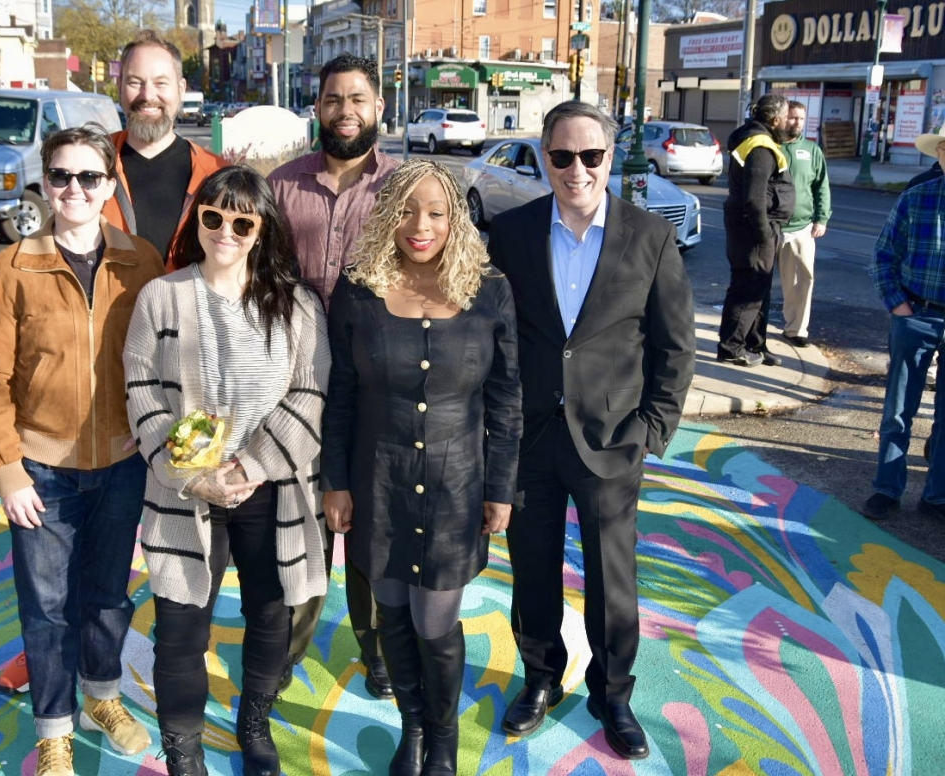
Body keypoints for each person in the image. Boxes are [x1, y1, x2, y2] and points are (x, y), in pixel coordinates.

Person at [487, 101, 696, 760]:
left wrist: (652, 428)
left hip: (613, 439)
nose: (576, 170)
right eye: (561, 156)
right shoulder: (512, 232)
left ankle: (614, 695)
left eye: (591, 156)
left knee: (613, 579)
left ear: (610, 156)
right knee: (532, 572)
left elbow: (676, 346)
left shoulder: (649, 236)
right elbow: (494, 336)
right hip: (529, 439)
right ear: (544, 158)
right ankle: (540, 679)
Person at [0, 124, 166, 776]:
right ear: (46, 182)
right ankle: (54, 727)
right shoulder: (13, 269)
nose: (74, 189)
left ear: (110, 186)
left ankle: (103, 696)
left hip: (120, 464)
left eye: (89, 177)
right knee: (47, 606)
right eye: (61, 176)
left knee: (108, 596)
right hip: (41, 472)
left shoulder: (140, 262)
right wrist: (6, 470)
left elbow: (163, 357)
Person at [123, 166, 330, 776]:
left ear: (261, 229)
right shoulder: (163, 297)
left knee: (271, 612)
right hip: (185, 490)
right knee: (182, 622)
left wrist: (254, 464)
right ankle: (184, 749)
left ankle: (254, 723)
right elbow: (142, 390)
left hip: (267, 488)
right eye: (214, 217)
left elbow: (309, 394)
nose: (227, 232)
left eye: (243, 222)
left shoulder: (296, 306)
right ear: (199, 221)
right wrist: (194, 474)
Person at [321, 158, 522, 775]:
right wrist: (336, 482)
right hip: (377, 482)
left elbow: (507, 397)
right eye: (407, 210)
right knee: (392, 615)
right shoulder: (358, 289)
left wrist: (501, 487)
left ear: (455, 217)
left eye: (436, 212)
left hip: (456, 486)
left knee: (437, 620)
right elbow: (342, 394)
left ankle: (442, 740)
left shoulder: (489, 288)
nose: (420, 225)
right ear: (387, 213)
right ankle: (412, 727)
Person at [267, 52, 400, 699]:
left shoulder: (404, 188)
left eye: (357, 98)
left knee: (373, 531)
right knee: (301, 527)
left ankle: (377, 652)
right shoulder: (282, 185)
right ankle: (285, 650)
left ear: (379, 107)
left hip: (377, 388)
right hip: (297, 386)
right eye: (332, 99)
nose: (345, 111)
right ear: (317, 108)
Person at [861, 125, 945, 522]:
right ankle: (887, 488)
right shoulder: (917, 198)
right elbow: (883, 256)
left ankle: (937, 496)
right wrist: (900, 308)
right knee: (898, 409)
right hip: (917, 313)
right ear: (940, 154)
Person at [102, 29, 227, 262]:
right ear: (119, 85)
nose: (148, 94)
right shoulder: (92, 164)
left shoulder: (217, 174)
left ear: (180, 89)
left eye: (161, 83)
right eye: (135, 82)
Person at [717, 93, 795, 368]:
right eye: (787, 117)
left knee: (760, 290)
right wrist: (764, 235)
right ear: (775, 120)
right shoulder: (760, 147)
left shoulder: (759, 140)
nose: (789, 122)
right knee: (748, 288)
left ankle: (756, 344)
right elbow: (754, 197)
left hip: (756, 227)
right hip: (754, 230)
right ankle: (731, 348)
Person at [778, 100, 832, 349]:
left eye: (801, 118)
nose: (797, 122)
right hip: (773, 227)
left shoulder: (812, 150)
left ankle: (796, 329)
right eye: (792, 117)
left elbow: (821, 186)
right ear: (781, 118)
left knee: (803, 280)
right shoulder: (771, 145)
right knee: (764, 279)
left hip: (802, 228)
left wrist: (821, 218)